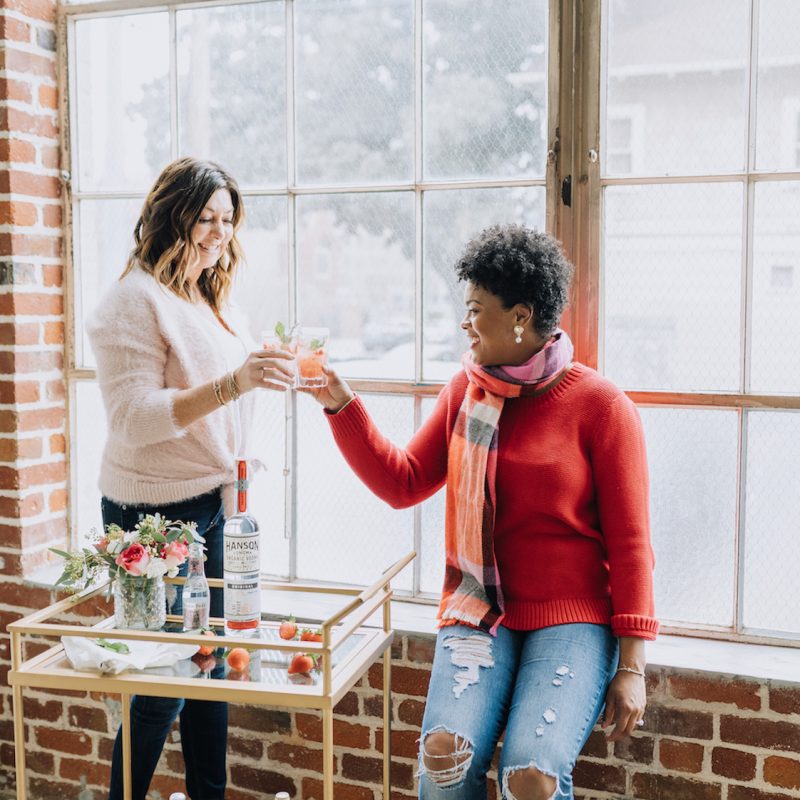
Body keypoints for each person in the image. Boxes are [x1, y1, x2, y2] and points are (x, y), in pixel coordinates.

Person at [305, 224, 658, 800]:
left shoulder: (601, 405)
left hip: (572, 619)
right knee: (444, 758)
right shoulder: (465, 392)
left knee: (531, 777)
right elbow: (403, 482)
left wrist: (632, 666)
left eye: (474, 310)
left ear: (520, 316)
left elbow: (632, 544)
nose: (464, 324)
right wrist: (340, 405)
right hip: (478, 607)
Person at [87, 157, 295, 800]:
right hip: (154, 517)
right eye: (205, 218)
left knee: (211, 670)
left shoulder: (206, 294)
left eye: (228, 220)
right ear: (169, 217)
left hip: (213, 504)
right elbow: (132, 417)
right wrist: (236, 381)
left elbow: (219, 390)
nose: (219, 233)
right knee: (162, 687)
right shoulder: (132, 301)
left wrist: (260, 365)